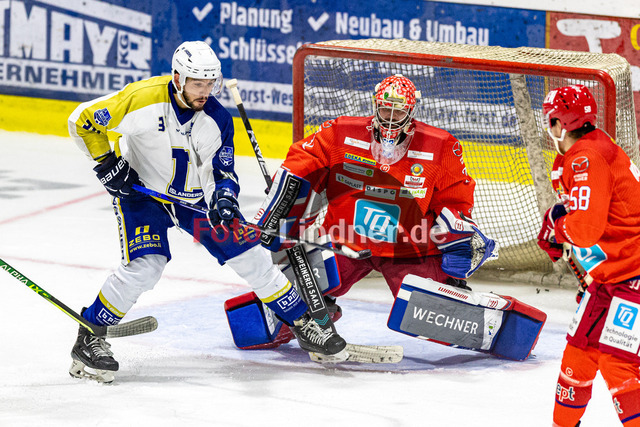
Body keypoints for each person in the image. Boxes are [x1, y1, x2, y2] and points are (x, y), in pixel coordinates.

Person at [66, 41, 345, 383]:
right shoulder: (142, 99)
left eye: (210, 83)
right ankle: (90, 336)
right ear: (178, 78)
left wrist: (223, 200)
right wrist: (106, 164)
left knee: (251, 256)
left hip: (194, 202)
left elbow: (221, 171)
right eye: (198, 83)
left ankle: (303, 322)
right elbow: (82, 120)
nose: (205, 91)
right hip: (142, 195)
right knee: (146, 267)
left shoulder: (217, 118)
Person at [257, 74, 496, 304]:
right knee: (294, 297)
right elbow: (305, 160)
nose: (391, 117)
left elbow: (455, 199)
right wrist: (284, 196)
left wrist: (457, 234)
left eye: (399, 111)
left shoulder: (441, 145)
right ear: (376, 106)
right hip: (344, 240)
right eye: (385, 109)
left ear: (411, 111)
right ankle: (301, 316)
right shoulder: (341, 132)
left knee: (432, 309)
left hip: (409, 250)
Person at [537, 84, 640, 426]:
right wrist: (558, 222)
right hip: (610, 278)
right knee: (578, 357)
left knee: (618, 364)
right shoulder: (586, 150)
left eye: (550, 119)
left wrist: (558, 228)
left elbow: (584, 231)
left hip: (634, 277)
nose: (548, 126)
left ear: (560, 123)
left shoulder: (587, 157)